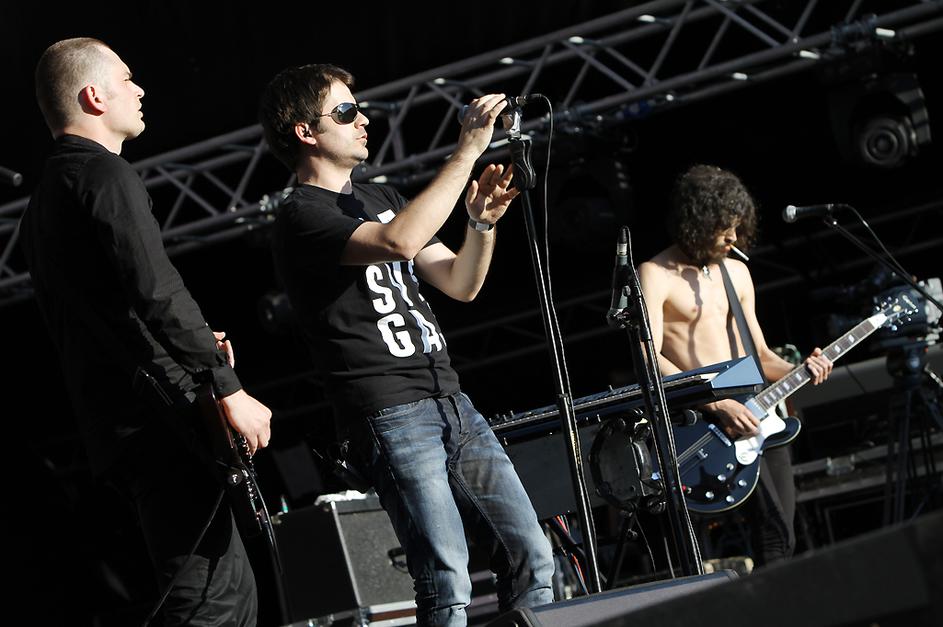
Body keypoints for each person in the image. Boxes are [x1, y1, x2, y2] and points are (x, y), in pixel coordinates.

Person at [259, 64, 554, 625]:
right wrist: (466, 152)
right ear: (305, 131)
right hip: (390, 410)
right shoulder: (301, 214)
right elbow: (399, 241)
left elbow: (460, 283)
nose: (363, 120)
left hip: (452, 400)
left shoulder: (382, 196)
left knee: (532, 556)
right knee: (447, 578)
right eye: (345, 111)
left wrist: (481, 225)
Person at [21, 38, 272, 625]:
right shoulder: (103, 173)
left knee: (226, 592)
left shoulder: (43, 203)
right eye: (127, 78)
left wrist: (194, 343)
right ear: (94, 96)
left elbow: (110, 307)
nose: (140, 90)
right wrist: (225, 383)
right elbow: (155, 287)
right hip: (159, 415)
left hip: (120, 419)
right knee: (211, 599)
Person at [638, 164, 832, 567]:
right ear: (695, 223)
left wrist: (803, 369)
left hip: (756, 413)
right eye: (723, 228)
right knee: (725, 544)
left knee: (782, 537)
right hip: (703, 419)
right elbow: (647, 356)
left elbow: (761, 356)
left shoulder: (737, 272)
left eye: (736, 227)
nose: (733, 237)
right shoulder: (655, 275)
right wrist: (714, 402)